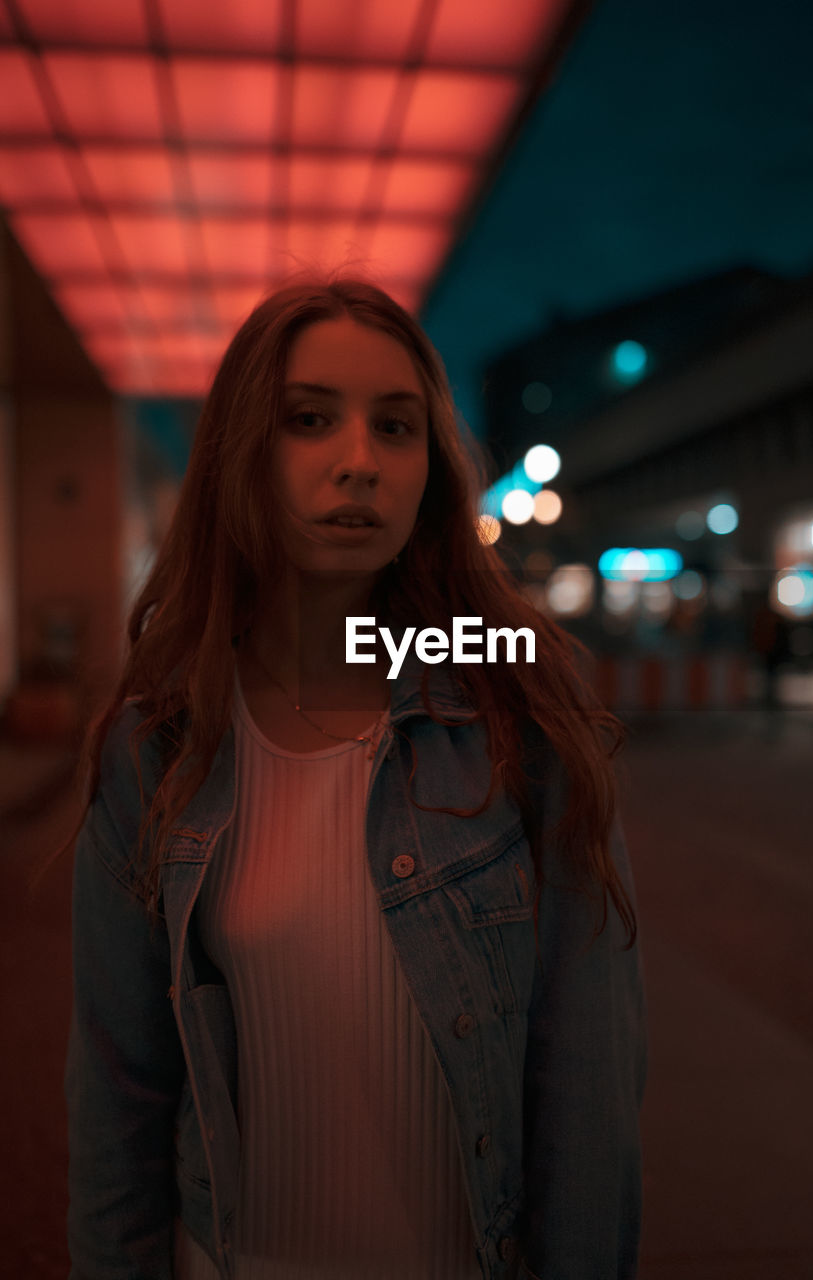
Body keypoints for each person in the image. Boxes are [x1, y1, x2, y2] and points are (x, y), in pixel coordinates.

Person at [63, 276, 647, 1280]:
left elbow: (586, 1079)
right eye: (309, 419)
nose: (358, 462)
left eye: (396, 426)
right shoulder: (158, 744)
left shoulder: (519, 714)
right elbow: (119, 1089)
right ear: (242, 449)